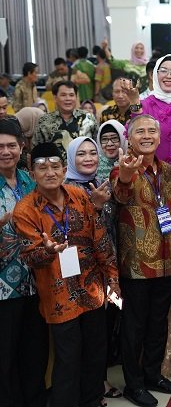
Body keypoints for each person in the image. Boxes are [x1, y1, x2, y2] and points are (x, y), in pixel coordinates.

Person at [14, 142, 119, 407]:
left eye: (55, 166)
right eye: (42, 167)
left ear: (63, 170)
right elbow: (29, 257)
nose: (49, 172)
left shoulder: (79, 196)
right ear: (32, 172)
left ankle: (93, 401)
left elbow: (100, 238)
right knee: (68, 359)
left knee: (95, 353)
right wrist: (48, 252)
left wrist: (112, 279)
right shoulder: (25, 210)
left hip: (93, 289)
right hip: (58, 295)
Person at [110, 115, 171, 406]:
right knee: (134, 328)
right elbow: (120, 195)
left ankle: (153, 375)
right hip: (136, 265)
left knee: (158, 324)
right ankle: (134, 384)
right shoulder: (122, 168)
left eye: (152, 131)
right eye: (140, 131)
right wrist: (126, 175)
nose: (147, 135)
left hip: (165, 261)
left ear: (159, 137)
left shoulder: (166, 171)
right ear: (130, 138)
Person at [0, 119, 48, 407]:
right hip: (3, 288)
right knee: (5, 353)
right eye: (0, 147)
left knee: (34, 348)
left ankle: (35, 399)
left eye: (11, 146)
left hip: (35, 280)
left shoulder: (31, 181)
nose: (6, 152)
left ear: (21, 148)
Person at [33, 81, 98, 160]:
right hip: (54, 166)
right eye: (63, 95)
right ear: (55, 98)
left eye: (71, 95)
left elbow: (98, 146)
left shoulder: (88, 118)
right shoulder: (44, 121)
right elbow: (36, 150)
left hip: (85, 165)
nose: (68, 99)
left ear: (76, 97)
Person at [96, 120, 127, 186]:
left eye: (114, 138)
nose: (109, 144)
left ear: (123, 140)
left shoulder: (132, 162)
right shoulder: (94, 164)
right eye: (104, 139)